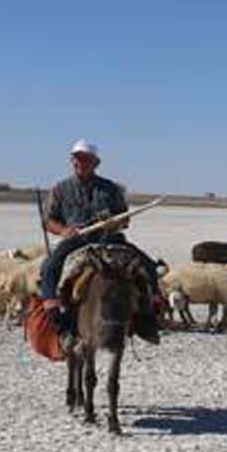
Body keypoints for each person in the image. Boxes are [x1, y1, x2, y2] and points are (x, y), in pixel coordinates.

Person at [38, 139, 160, 343]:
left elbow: (124, 219)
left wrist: (114, 223)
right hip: (76, 240)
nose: (80, 163)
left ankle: (147, 320)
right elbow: (48, 221)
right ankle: (58, 321)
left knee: (148, 266)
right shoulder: (60, 189)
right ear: (71, 161)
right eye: (76, 159)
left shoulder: (111, 189)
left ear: (96, 163)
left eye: (86, 159)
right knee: (49, 267)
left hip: (108, 238)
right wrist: (65, 230)